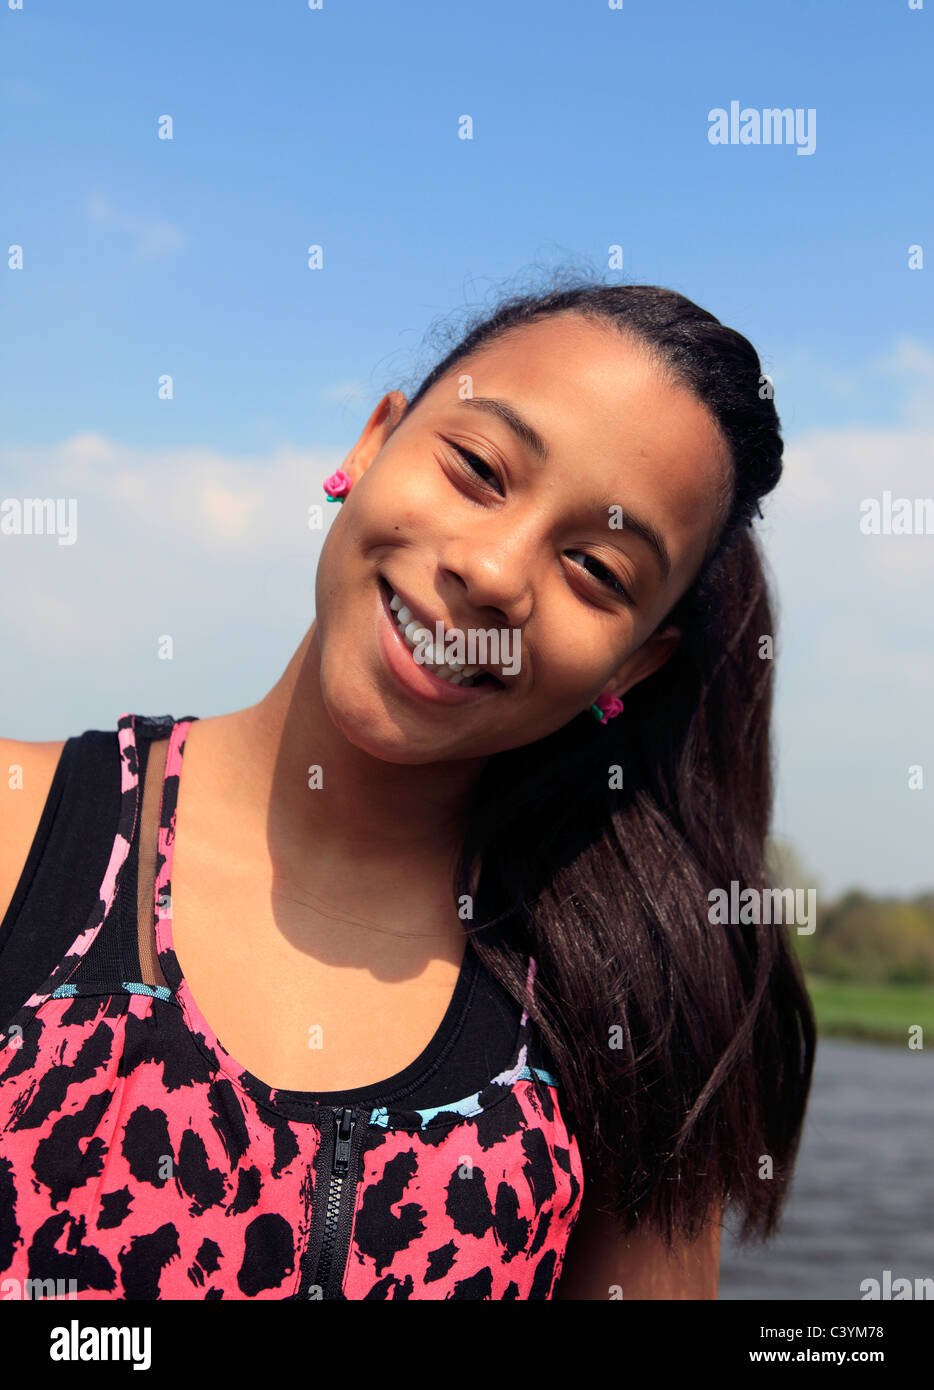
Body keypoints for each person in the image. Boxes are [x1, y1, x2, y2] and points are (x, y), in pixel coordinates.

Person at [0, 278, 815, 1300]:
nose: (493, 571)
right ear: (370, 444)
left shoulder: (620, 1007)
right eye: (478, 468)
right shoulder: (21, 834)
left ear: (629, 668)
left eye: (596, 568)